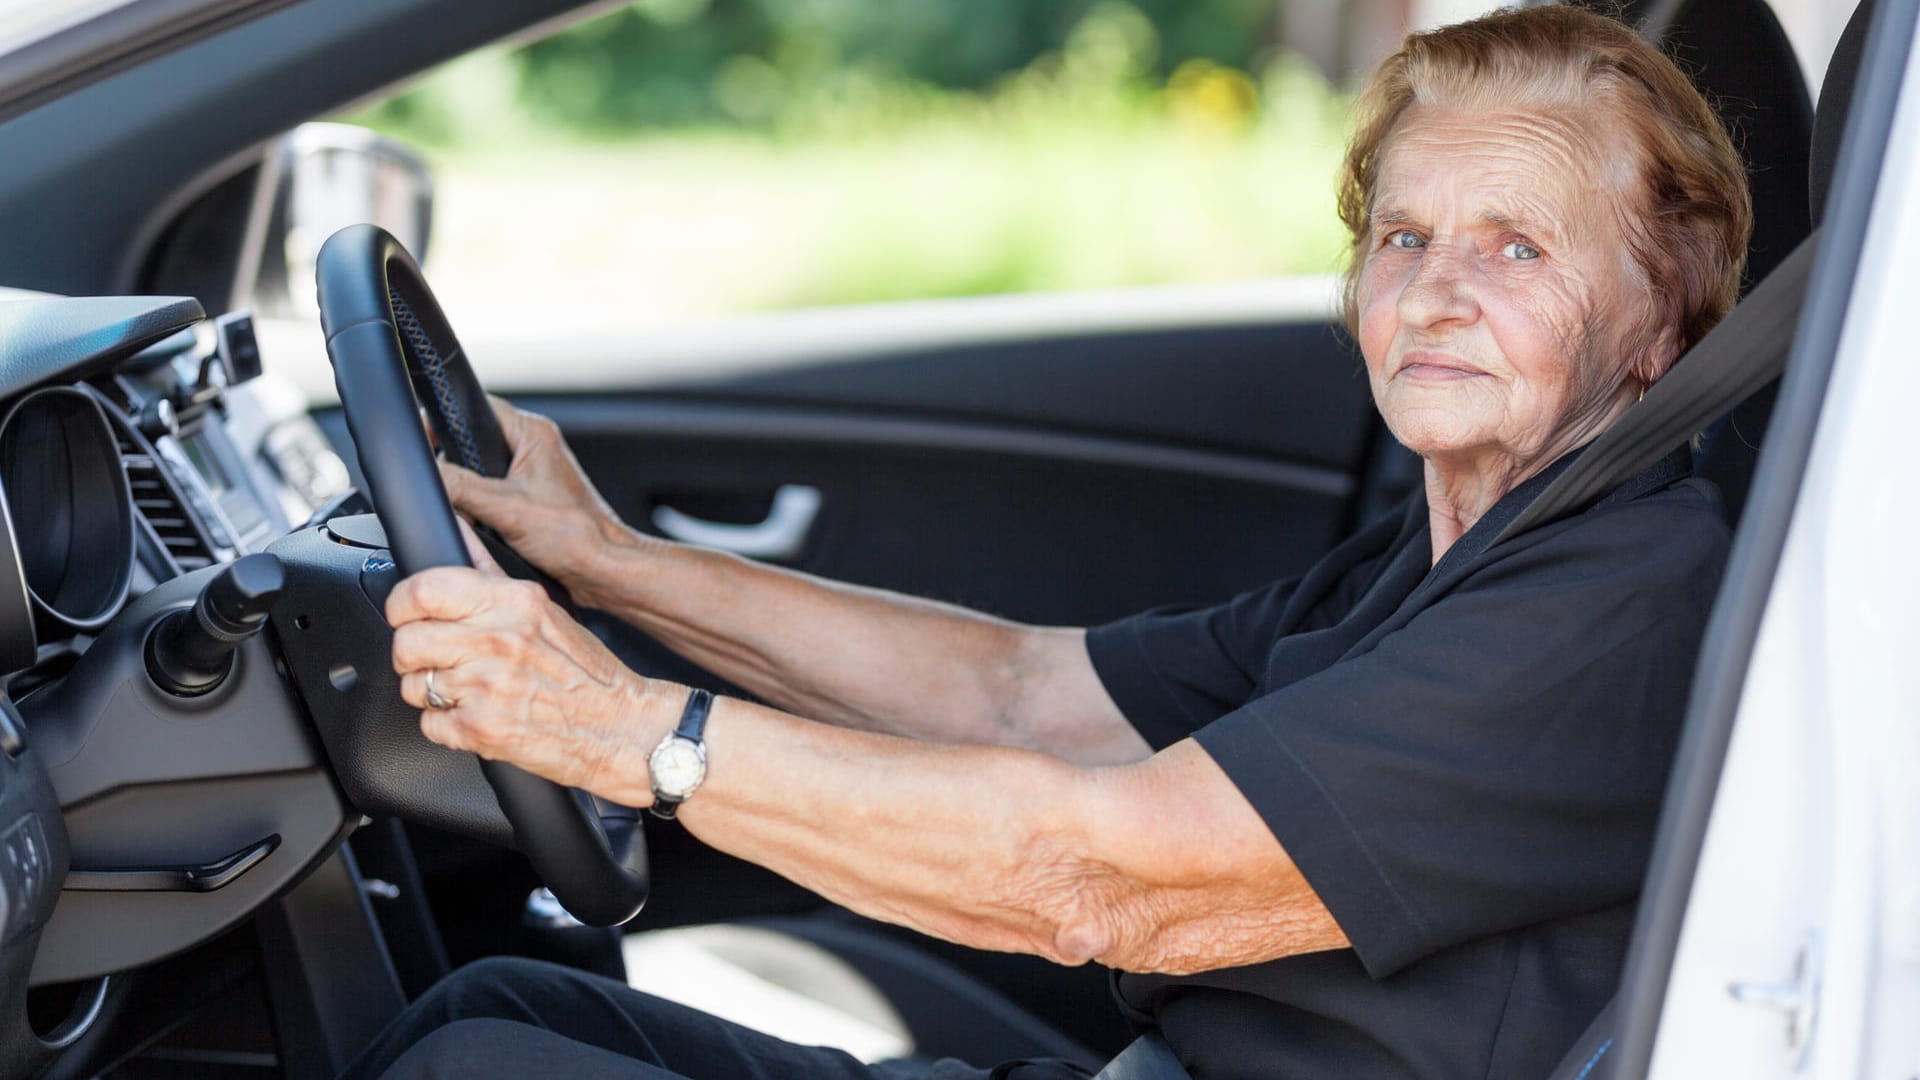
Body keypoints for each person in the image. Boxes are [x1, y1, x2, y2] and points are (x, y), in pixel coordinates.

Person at [347, 6, 1750, 1078]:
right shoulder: (1447, 551)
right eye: (1403, 238)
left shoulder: (1617, 600)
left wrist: (629, 733)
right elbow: (1021, 696)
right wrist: (606, 558)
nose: (1438, 292)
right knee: (497, 1009)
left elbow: (1104, 877)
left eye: (1518, 249)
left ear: (1665, 317)